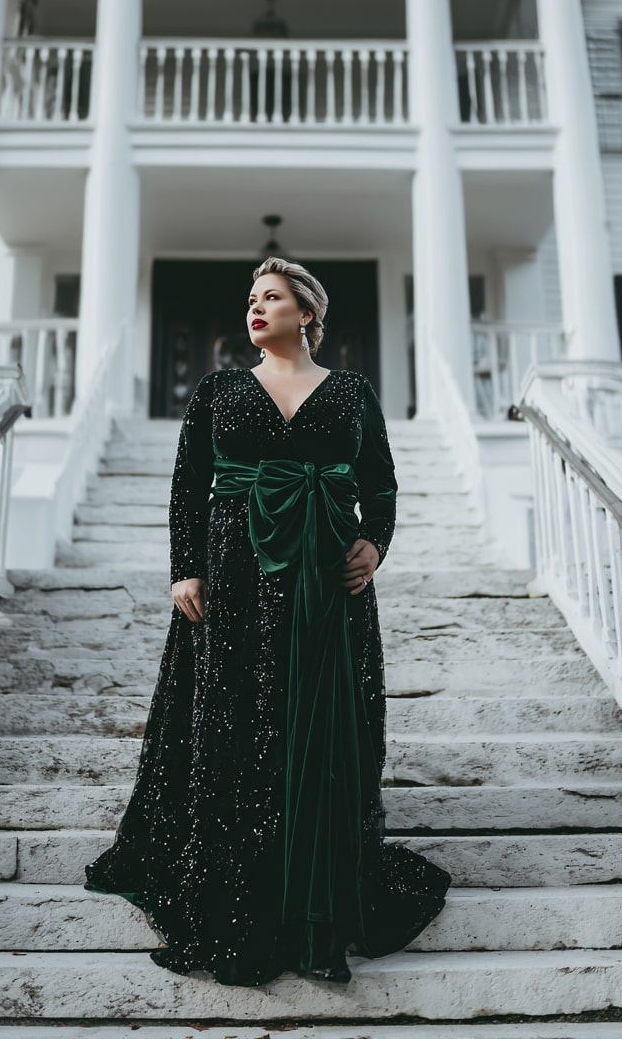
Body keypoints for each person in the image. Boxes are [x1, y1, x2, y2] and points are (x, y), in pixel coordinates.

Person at [83, 256, 451, 985]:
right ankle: (236, 893)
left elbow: (380, 482)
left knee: (319, 729)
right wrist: (185, 568)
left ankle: (317, 904)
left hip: (326, 580)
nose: (255, 307)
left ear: (306, 313)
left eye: (272, 297)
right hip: (233, 575)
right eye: (251, 298)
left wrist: (375, 541)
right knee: (235, 722)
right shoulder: (218, 390)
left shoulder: (351, 391)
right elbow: (188, 485)